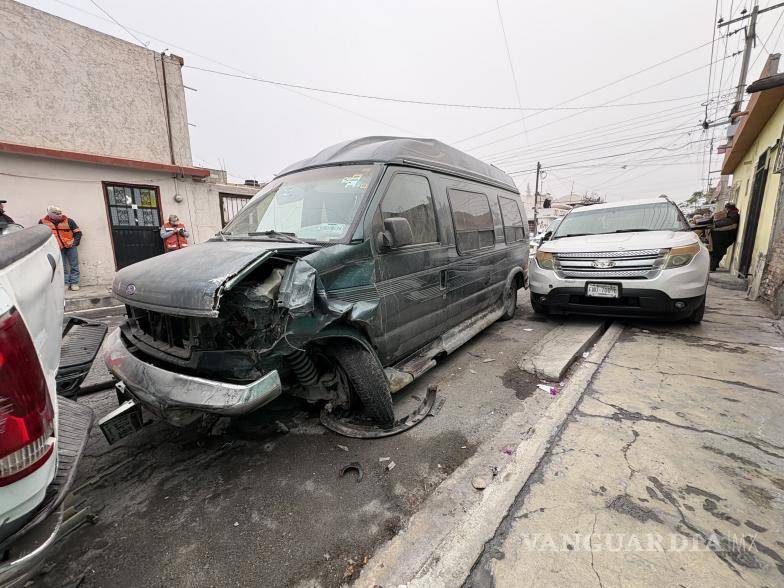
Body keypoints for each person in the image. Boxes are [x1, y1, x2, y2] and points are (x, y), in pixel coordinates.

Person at [39, 205, 82, 290]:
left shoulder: (69, 221)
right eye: (57, 214)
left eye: (60, 213)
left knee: (74, 265)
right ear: (50, 214)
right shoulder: (43, 222)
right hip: (57, 248)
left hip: (71, 246)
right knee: (62, 267)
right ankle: (65, 283)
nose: (59, 215)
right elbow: (41, 236)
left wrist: (74, 242)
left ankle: (74, 283)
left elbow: (78, 233)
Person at [709, 202, 740, 271]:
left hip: (725, 237)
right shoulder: (731, 214)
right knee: (717, 251)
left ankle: (712, 267)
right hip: (723, 237)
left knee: (717, 252)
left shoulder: (733, 215)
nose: (725, 209)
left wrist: (715, 224)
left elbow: (728, 222)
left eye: (726, 207)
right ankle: (714, 265)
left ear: (728, 208)